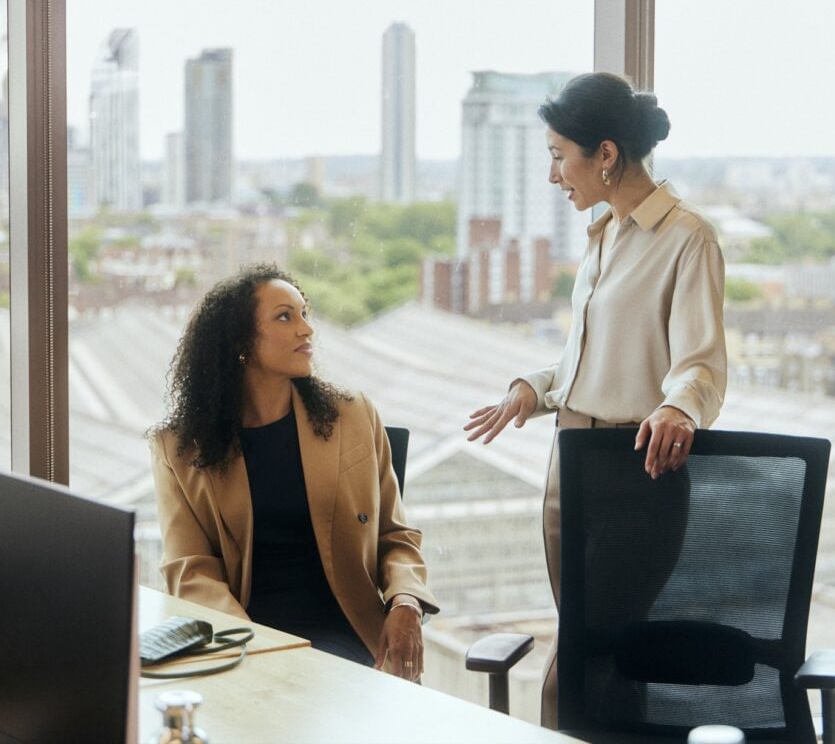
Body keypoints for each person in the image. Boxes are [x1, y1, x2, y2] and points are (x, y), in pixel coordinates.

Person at [464, 71, 727, 725]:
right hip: (572, 459)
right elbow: (595, 354)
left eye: (559, 155)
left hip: (634, 470)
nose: (554, 175)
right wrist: (538, 387)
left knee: (586, 661)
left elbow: (699, 363)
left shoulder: (688, 238)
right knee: (597, 656)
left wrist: (677, 406)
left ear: (604, 154)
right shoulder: (604, 233)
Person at [150, 263, 437, 681]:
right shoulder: (178, 448)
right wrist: (257, 649)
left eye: (305, 314)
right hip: (241, 639)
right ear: (240, 341)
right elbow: (190, 572)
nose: (307, 329)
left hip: (345, 632)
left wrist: (407, 600)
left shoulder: (353, 415)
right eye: (285, 316)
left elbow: (395, 537)